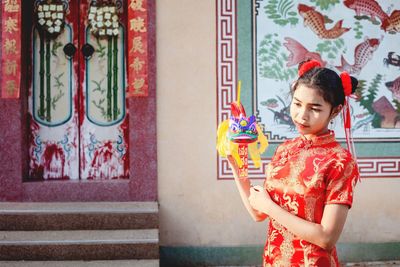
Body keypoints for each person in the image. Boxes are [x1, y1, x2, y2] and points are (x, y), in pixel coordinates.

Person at [227, 60, 359, 266]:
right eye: (297, 104)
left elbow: (326, 238)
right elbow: (258, 212)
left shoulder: (340, 161)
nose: (302, 115)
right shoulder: (285, 149)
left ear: (335, 111)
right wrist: (237, 167)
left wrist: (269, 207)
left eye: (314, 108)